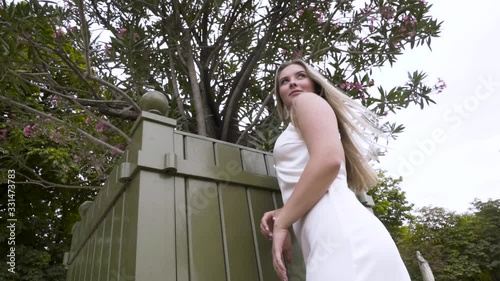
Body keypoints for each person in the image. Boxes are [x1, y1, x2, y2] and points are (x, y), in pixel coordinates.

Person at [260, 59, 411, 281]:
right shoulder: (301, 120)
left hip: (342, 235)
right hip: (342, 234)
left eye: (300, 76)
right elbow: (315, 175)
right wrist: (285, 212)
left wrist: (283, 221)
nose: (292, 83)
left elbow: (328, 161)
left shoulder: (307, 102)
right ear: (280, 95)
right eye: (284, 81)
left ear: (315, 84)